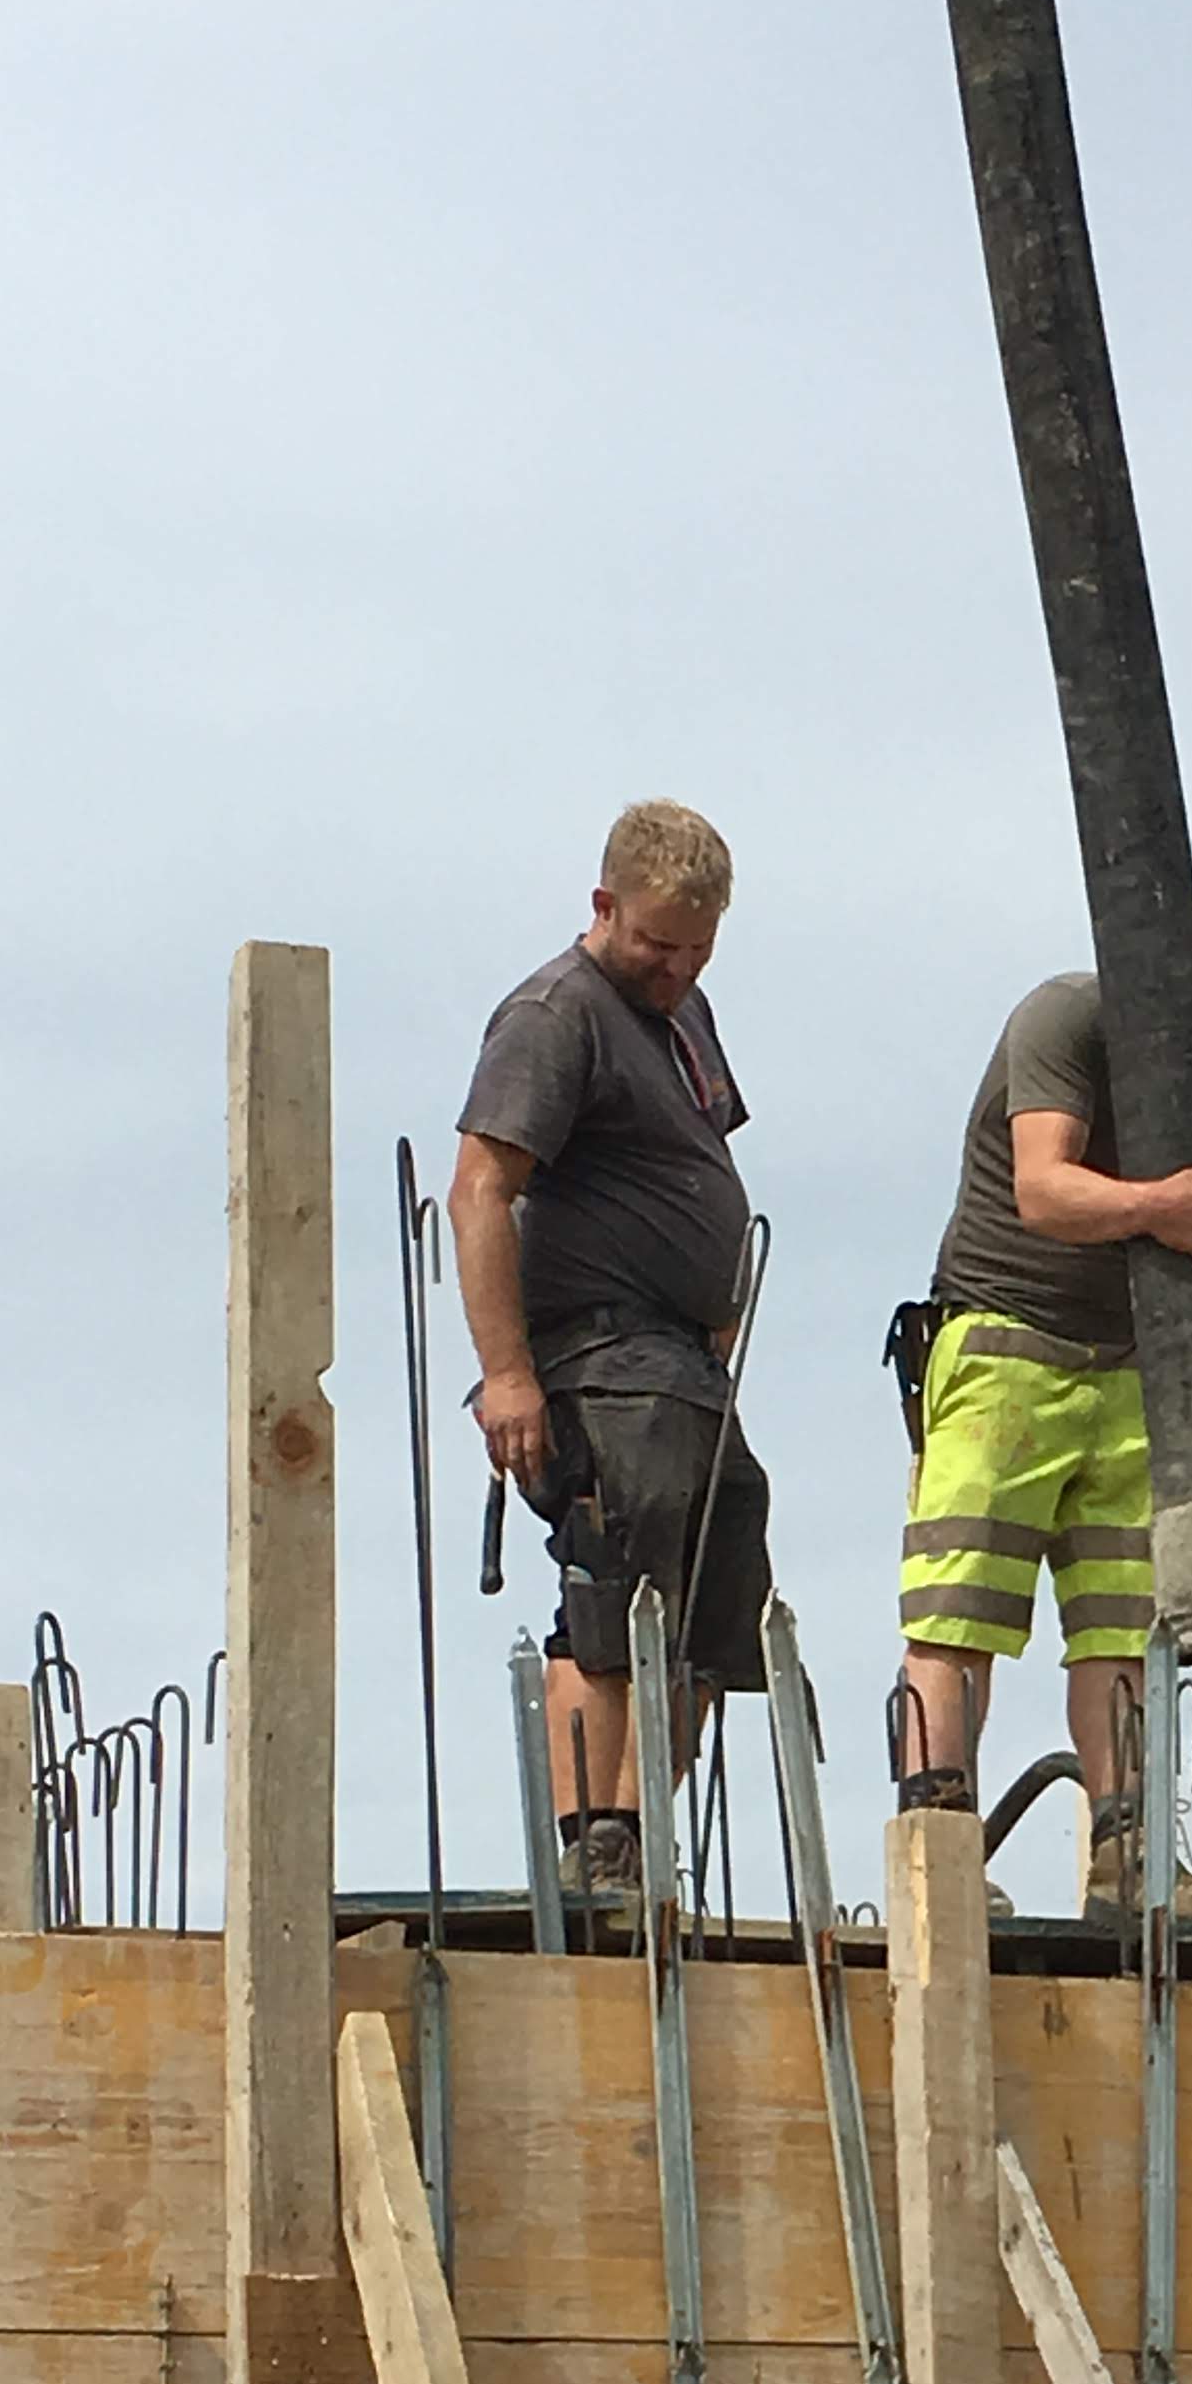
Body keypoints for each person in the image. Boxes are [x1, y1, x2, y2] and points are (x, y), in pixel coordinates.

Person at [898, 882, 1192, 1908]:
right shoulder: (1072, 1018)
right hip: (1003, 1348)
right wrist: (1155, 1206)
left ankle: (1128, 1857)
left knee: (1121, 1631)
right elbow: (1043, 1188)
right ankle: (940, 1854)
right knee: (959, 1613)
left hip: (1129, 1372)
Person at [449, 799, 769, 1887]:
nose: (676, 967)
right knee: (611, 1587)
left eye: (697, 949)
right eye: (657, 944)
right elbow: (480, 1189)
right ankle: (595, 1840)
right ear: (603, 905)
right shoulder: (557, 1014)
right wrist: (507, 1375)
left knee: (710, 1603)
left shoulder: (684, 1014)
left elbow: (697, 1164)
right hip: (600, 1362)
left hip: (685, 1368)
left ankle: (642, 1832)